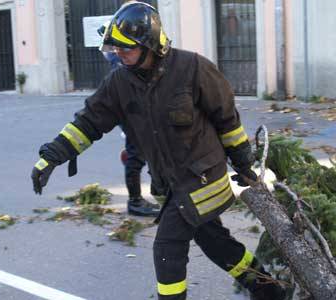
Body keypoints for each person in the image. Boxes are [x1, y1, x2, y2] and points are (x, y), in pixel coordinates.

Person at [31, 2, 286, 300]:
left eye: (126, 48)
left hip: (204, 179)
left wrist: (243, 163)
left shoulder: (193, 68)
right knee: (215, 241)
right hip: (171, 183)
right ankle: (269, 290)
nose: (119, 54)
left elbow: (226, 120)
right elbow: (88, 122)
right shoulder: (119, 82)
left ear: (149, 44)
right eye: (115, 48)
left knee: (167, 250)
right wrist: (52, 155)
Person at [98, 21, 160, 217]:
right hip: (129, 108)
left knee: (147, 153)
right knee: (136, 156)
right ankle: (134, 201)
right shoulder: (118, 49)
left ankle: (157, 195)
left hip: (137, 107)